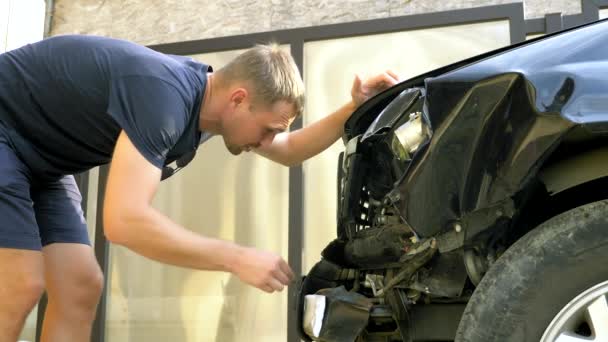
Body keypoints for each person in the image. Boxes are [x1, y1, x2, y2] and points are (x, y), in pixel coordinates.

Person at [0, 34, 399, 341]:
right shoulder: (164, 97)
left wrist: (353, 108)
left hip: (43, 165)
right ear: (239, 99)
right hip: (6, 131)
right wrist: (235, 257)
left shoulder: (212, 110)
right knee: (21, 282)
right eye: (266, 129)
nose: (264, 141)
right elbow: (123, 222)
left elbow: (290, 149)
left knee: (80, 286)